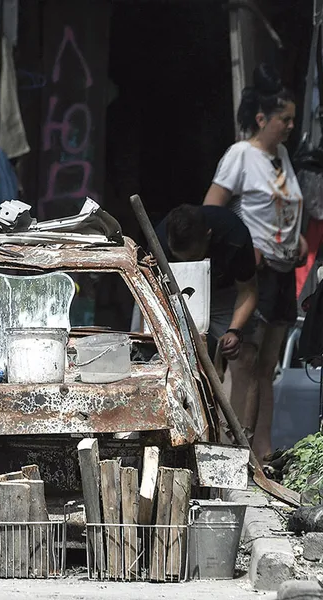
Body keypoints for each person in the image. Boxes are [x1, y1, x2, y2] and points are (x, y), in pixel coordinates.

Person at [203, 63, 308, 462]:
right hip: (256, 273)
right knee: (243, 359)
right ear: (262, 118)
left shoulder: (281, 155)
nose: (290, 127)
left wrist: (294, 236)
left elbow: (282, 207)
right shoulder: (241, 155)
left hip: (284, 272)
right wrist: (242, 247)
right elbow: (212, 212)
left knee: (268, 366)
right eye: (285, 119)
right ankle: (232, 447)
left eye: (293, 119)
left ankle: (260, 449)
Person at [156, 204, 258, 361]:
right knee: (149, 350)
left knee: (244, 354)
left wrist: (234, 330)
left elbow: (248, 290)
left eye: (192, 258)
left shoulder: (234, 234)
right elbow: (149, 294)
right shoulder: (158, 243)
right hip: (168, 292)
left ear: (208, 236)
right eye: (179, 258)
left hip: (223, 292)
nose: (187, 263)